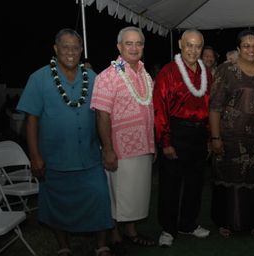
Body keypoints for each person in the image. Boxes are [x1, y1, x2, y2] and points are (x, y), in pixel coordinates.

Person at [16, 28, 114, 256]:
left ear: (81, 50)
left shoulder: (93, 78)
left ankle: (102, 246)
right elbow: (31, 121)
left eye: (75, 47)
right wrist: (35, 156)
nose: (70, 51)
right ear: (56, 49)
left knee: (99, 197)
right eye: (65, 47)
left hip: (89, 157)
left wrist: (108, 147)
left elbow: (103, 115)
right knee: (57, 205)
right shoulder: (38, 78)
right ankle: (64, 247)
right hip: (54, 158)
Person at [90, 26, 156, 253]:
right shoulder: (108, 76)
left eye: (139, 43)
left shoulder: (146, 75)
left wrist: (152, 144)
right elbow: (101, 114)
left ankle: (131, 231)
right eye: (129, 43)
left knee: (135, 194)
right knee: (118, 195)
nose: (134, 48)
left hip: (143, 145)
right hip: (120, 148)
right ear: (119, 47)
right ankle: (115, 234)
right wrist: (108, 149)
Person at [209, 29, 254, 238]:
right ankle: (226, 221)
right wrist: (215, 137)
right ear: (238, 48)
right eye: (246, 45)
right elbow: (215, 107)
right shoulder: (226, 70)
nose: (250, 49)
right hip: (231, 137)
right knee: (229, 178)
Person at [153, 29, 213, 247]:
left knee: (195, 184)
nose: (193, 50)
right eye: (189, 45)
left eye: (198, 46)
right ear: (180, 44)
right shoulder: (168, 72)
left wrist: (208, 137)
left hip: (199, 134)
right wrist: (166, 141)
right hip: (176, 133)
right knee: (170, 185)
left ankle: (188, 223)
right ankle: (168, 229)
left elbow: (210, 106)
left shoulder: (206, 72)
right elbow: (159, 110)